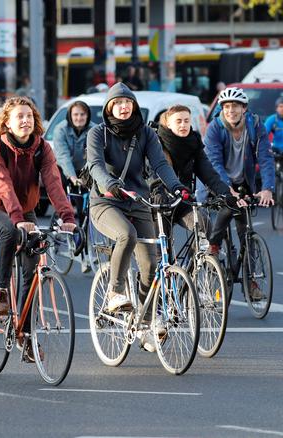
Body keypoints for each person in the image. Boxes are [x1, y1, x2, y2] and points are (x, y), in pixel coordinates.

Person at [86, 83, 185, 352]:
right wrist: (109, 183)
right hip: (106, 201)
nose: (123, 106)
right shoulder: (98, 133)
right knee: (125, 235)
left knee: (150, 266)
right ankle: (115, 292)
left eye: (127, 102)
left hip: (138, 201)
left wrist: (176, 186)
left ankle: (146, 321)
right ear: (109, 108)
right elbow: (94, 165)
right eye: (117, 103)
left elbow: (160, 164)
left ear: (134, 105)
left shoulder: (145, 134)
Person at [0, 97, 76, 362]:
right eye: (19, 116)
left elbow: (54, 182)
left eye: (29, 116)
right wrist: (18, 217)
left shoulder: (42, 147)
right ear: (6, 122)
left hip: (25, 211)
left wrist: (67, 216)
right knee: (9, 231)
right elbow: (2, 184)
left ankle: (26, 336)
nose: (25, 121)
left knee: (31, 272)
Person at [204, 87, 275, 301]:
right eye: (226, 106)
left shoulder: (255, 126)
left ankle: (251, 281)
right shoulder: (215, 129)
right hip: (217, 181)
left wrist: (267, 188)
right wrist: (228, 189)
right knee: (228, 207)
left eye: (235, 106)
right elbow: (214, 162)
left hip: (244, 181)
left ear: (244, 108)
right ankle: (214, 245)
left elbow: (265, 157)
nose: (231, 110)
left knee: (246, 232)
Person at [150, 105, 234, 248]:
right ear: (168, 124)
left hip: (183, 201)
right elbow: (151, 174)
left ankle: (195, 263)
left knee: (205, 225)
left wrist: (225, 193)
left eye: (186, 121)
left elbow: (209, 174)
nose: (183, 125)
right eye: (178, 121)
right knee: (162, 254)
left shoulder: (194, 143)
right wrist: (159, 192)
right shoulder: (156, 143)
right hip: (159, 203)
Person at [52, 100, 96, 272]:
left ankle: (85, 254)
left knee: (84, 214)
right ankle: (60, 222)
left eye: (82, 114)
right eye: (76, 114)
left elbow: (94, 155)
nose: (79, 118)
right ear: (70, 116)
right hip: (63, 170)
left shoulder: (93, 129)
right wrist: (71, 176)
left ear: (87, 116)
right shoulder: (61, 129)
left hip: (84, 171)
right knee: (66, 206)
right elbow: (62, 156)